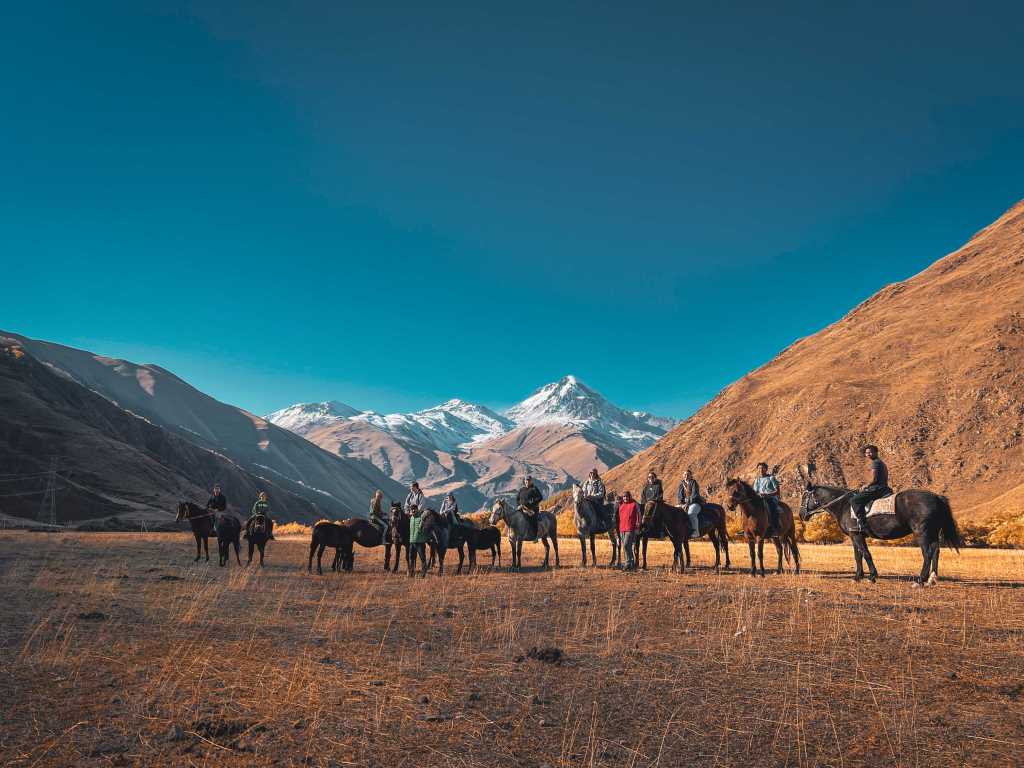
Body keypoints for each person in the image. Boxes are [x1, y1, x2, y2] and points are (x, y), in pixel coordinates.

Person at [850, 445, 891, 532]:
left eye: (870, 452)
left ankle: (862, 525)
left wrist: (866, 485)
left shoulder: (875, 463)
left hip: (877, 489)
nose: (868, 454)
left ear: (876, 452)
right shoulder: (880, 462)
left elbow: (874, 479)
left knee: (854, 500)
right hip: (883, 488)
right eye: (866, 453)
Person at [752, 463, 781, 535]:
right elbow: (755, 492)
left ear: (766, 469)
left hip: (771, 498)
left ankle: (775, 527)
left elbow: (777, 491)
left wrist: (767, 495)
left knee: (771, 507)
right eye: (759, 468)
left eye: (763, 468)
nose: (761, 470)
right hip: (760, 499)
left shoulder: (771, 478)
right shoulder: (757, 480)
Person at [676, 469, 704, 539]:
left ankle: (696, 532)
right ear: (683, 475)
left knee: (691, 513)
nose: (686, 476)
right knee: (674, 511)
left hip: (695, 503)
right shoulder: (681, 484)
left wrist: (687, 503)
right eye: (685, 474)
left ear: (691, 476)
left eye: (688, 475)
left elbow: (694, 495)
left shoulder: (694, 483)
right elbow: (679, 496)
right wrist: (681, 503)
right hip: (684, 504)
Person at [618, 490, 641, 571]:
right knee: (626, 547)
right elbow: (620, 518)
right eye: (624, 496)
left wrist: (637, 527)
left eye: (627, 496)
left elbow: (639, 516)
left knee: (626, 545)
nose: (625, 498)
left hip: (630, 528)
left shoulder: (634, 504)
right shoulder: (621, 506)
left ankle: (628, 563)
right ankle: (631, 564)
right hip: (622, 529)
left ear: (629, 497)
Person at [516, 476, 544, 541]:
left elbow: (540, 497)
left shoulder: (534, 488)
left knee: (532, 519)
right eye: (526, 480)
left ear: (531, 481)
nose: (527, 482)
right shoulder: (521, 489)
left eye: (529, 480)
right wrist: (518, 505)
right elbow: (517, 499)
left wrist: (532, 503)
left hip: (532, 509)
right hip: (521, 508)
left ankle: (535, 536)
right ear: (524, 481)